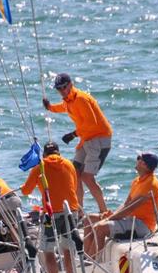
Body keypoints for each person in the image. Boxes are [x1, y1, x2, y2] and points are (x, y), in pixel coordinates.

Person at [43, 72, 112, 215]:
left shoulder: (80, 99)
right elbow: (63, 107)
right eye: (58, 89)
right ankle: (79, 212)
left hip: (99, 138)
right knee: (75, 173)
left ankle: (103, 211)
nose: (61, 91)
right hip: (86, 139)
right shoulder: (69, 100)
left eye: (63, 87)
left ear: (70, 85)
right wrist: (49, 107)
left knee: (87, 176)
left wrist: (73, 134)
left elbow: (91, 123)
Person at [21, 141, 80, 273]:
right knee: (68, 249)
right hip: (71, 211)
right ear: (59, 153)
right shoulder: (69, 164)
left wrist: (23, 186)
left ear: (44, 155)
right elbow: (73, 186)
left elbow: (26, 191)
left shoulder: (39, 167)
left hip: (51, 214)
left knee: (48, 251)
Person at [83, 152, 158, 258]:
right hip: (130, 220)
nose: (136, 160)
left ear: (144, 164)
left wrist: (107, 220)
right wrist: (111, 216)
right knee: (88, 219)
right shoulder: (137, 181)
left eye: (139, 158)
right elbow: (126, 204)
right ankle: (86, 258)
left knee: (101, 228)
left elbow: (130, 208)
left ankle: (90, 262)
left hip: (143, 226)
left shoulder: (151, 184)